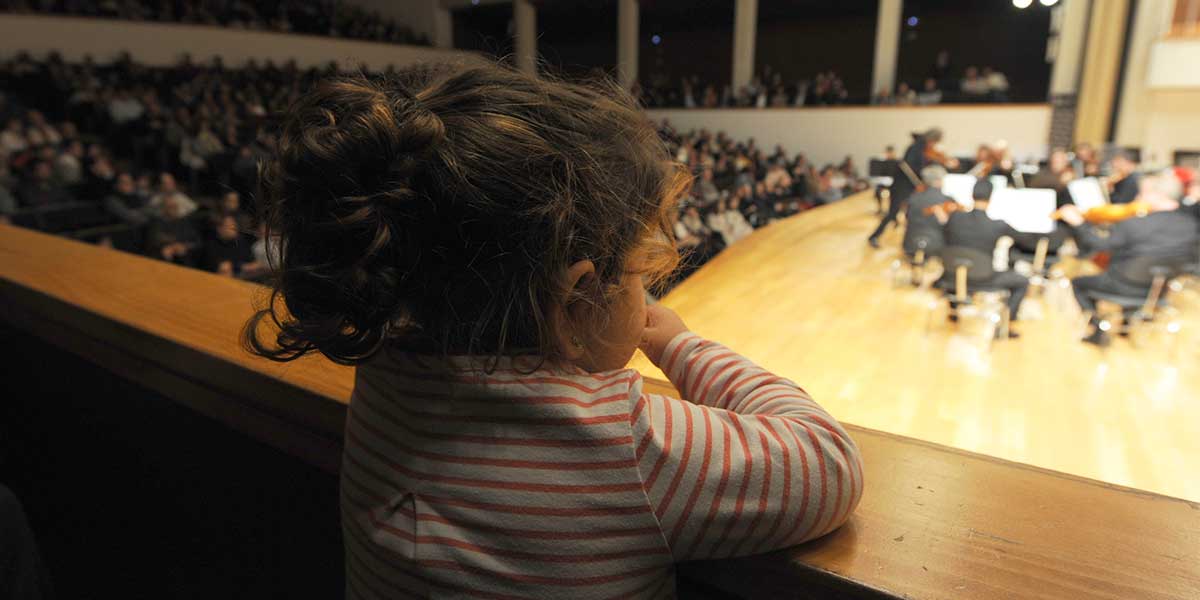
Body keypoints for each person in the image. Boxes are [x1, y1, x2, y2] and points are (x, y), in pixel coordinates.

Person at [243, 67, 862, 598]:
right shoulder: (624, 443)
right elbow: (827, 461)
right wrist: (680, 346)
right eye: (640, 273)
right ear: (577, 299)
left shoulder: (382, 376)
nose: (646, 292)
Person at [1057, 175, 1199, 346]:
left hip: (1121, 285)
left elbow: (1099, 245)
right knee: (1139, 269)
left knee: (1078, 283)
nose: (1138, 197)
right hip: (1159, 289)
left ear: (1157, 195)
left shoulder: (1134, 224)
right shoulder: (1191, 225)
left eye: (1143, 193)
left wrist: (1079, 223)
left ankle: (1097, 328)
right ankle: (1126, 324)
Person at [941, 180, 1029, 337]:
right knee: (1022, 282)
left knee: (961, 261)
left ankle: (955, 311)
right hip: (981, 278)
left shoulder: (954, 217)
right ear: (991, 198)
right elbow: (1024, 239)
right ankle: (1004, 327)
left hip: (952, 276)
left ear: (972, 196)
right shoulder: (998, 225)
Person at [868, 127, 957, 247]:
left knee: (909, 213)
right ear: (932, 139)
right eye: (934, 142)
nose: (934, 146)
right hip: (901, 187)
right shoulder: (916, 147)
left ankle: (910, 238)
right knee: (893, 213)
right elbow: (912, 166)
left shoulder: (921, 147)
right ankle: (874, 236)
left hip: (908, 186)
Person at [902, 165, 952, 256]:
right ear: (938, 181)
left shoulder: (913, 198)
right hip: (936, 245)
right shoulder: (947, 200)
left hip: (910, 242)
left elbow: (907, 218)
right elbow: (951, 225)